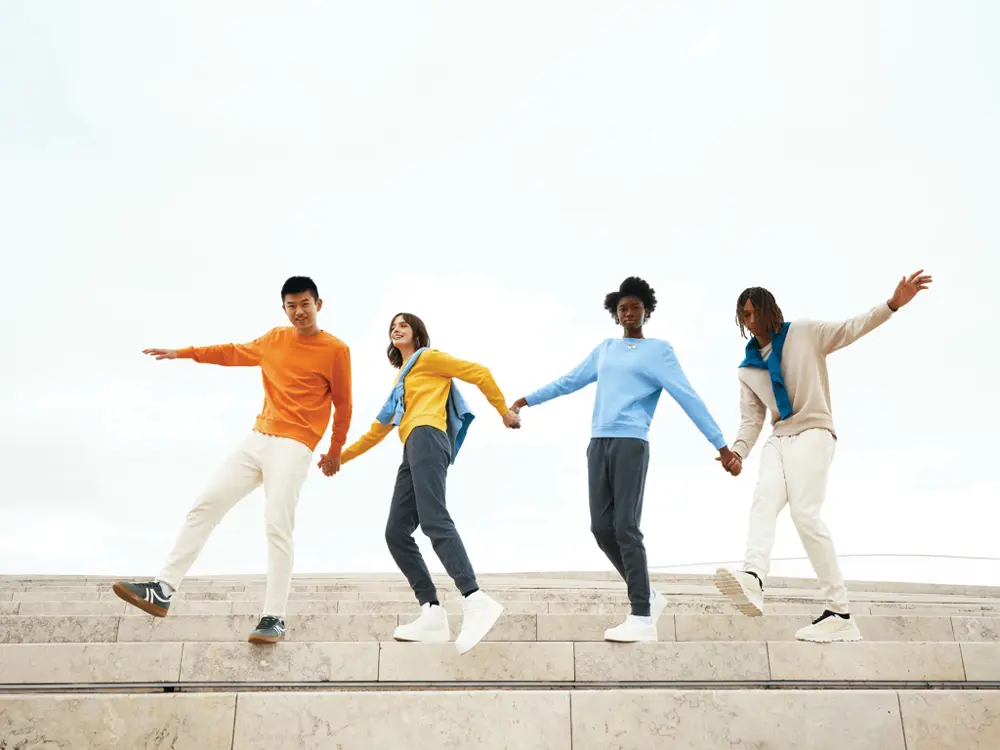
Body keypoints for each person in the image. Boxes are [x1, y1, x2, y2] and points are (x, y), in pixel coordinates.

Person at [112, 276, 352, 645]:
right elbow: (232, 352)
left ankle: (274, 616)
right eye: (291, 306)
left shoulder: (336, 350)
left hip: (295, 445)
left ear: (318, 305)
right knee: (205, 504)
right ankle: (162, 589)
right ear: (284, 309)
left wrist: (335, 450)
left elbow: (343, 405)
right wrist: (183, 353)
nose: (299, 312)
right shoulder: (274, 338)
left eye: (305, 304)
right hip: (258, 438)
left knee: (277, 525)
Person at [511, 276, 737, 643]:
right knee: (601, 528)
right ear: (615, 316)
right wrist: (526, 400)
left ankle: (642, 616)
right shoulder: (605, 349)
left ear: (647, 311)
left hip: (631, 442)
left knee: (626, 526)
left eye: (635, 307)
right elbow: (570, 380)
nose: (629, 313)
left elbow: (688, 397)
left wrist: (722, 446)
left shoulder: (659, 351)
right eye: (622, 309)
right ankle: (647, 593)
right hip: (598, 443)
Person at [713, 270, 933, 643]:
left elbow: (851, 328)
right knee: (763, 499)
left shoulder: (804, 332)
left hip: (813, 431)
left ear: (769, 310)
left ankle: (840, 612)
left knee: (804, 514)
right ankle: (752, 578)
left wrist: (893, 304)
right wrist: (738, 452)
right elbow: (751, 420)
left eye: (753, 313)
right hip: (780, 437)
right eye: (744, 316)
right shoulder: (747, 368)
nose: (749, 321)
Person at [333, 312, 521, 654]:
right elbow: (377, 430)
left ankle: (475, 598)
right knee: (396, 532)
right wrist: (339, 457)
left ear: (417, 333)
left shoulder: (428, 358)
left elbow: (480, 373)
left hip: (428, 436)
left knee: (434, 519)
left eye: (403, 324)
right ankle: (432, 612)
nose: (396, 329)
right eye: (392, 326)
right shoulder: (401, 381)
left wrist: (503, 411)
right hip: (411, 446)